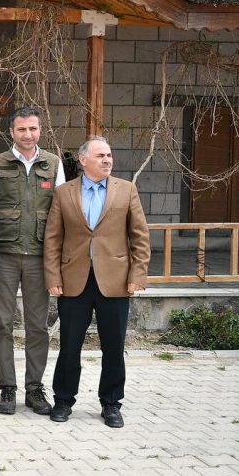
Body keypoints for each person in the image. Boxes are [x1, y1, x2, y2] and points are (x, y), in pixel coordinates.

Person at [44, 136, 150, 428]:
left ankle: (111, 404)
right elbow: (53, 239)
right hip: (73, 281)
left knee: (113, 347)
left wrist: (137, 275)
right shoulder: (64, 192)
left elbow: (140, 236)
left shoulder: (126, 190)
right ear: (83, 160)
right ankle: (63, 400)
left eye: (109, 155)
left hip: (115, 281)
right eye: (101, 155)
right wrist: (52, 276)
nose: (107, 160)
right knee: (69, 346)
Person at [0, 106, 65, 416]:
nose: (27, 134)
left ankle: (34, 388)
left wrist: (58, 261)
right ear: (11, 132)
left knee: (37, 325)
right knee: (2, 323)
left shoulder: (53, 164)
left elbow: (61, 213)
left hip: (39, 257)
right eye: (21, 129)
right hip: (3, 255)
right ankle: (7, 388)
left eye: (32, 129)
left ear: (40, 130)